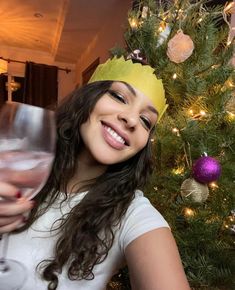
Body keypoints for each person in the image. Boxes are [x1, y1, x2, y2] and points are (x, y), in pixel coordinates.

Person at [0, 56, 191, 290]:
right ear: (87, 97)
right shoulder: (20, 164)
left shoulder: (133, 213)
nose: (131, 119)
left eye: (145, 120)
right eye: (119, 97)